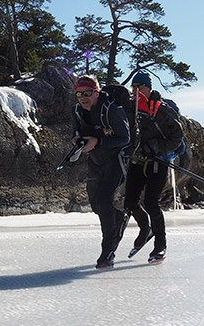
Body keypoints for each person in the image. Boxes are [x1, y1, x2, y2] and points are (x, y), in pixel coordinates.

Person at [71, 75, 131, 269]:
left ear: (96, 92)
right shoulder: (78, 111)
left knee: (104, 201)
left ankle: (108, 251)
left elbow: (126, 138)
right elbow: (75, 132)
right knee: (97, 205)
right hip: (96, 161)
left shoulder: (112, 110)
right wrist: (77, 140)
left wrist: (99, 141)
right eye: (79, 94)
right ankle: (119, 219)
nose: (83, 97)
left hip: (115, 161)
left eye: (87, 93)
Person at [124, 70, 184, 263]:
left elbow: (177, 137)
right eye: (133, 87)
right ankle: (145, 228)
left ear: (149, 88)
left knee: (151, 203)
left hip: (158, 161)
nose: (135, 91)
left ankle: (160, 246)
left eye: (139, 87)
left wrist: (156, 147)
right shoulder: (130, 109)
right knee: (130, 203)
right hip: (137, 160)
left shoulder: (162, 110)